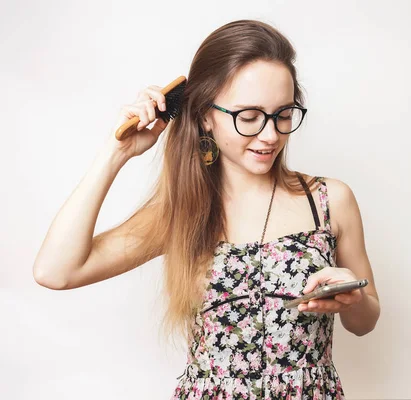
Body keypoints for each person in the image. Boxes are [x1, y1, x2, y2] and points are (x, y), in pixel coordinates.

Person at [33, 19, 380, 399]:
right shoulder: (182, 211)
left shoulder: (329, 201)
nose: (270, 134)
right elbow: (56, 271)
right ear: (204, 116)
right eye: (248, 117)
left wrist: (354, 299)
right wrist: (116, 154)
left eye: (283, 114)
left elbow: (364, 323)